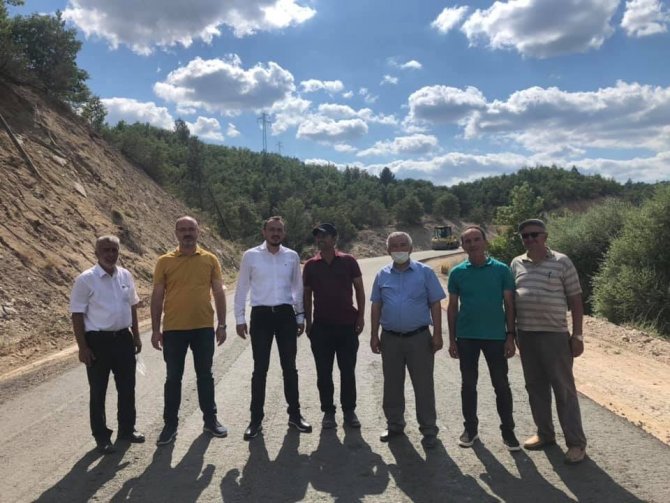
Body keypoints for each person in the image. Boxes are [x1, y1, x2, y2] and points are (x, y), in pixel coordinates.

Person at [511, 218, 587, 464]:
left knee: (564, 390)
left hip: (555, 335)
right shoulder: (516, 263)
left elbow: (576, 300)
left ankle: (576, 443)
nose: (530, 239)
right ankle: (545, 434)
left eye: (534, 234)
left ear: (545, 236)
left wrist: (577, 335)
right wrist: (511, 333)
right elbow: (511, 300)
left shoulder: (562, 261)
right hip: (526, 335)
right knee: (535, 388)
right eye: (525, 236)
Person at [151, 216, 228, 445]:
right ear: (176, 233)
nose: (187, 233)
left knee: (205, 376)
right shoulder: (164, 261)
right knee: (173, 378)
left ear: (198, 232)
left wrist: (222, 324)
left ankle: (210, 420)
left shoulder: (210, 259)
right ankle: (170, 425)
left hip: (203, 328)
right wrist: (155, 330)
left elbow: (219, 292)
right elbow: (157, 296)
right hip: (174, 329)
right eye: (183, 229)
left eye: (191, 229)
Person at [234, 216, 312, 440]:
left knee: (290, 367)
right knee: (260, 369)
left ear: (284, 233)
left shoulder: (292, 256)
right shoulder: (251, 256)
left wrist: (300, 317)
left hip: (286, 315)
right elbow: (242, 288)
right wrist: (239, 318)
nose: (275, 233)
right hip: (261, 316)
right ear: (264, 232)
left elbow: (297, 289)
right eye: (272, 229)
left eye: (279, 230)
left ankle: (295, 415)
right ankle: (255, 420)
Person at [446, 226, 519, 451]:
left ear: (485, 242)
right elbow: (452, 307)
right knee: (468, 385)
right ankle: (471, 430)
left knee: (501, 385)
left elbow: (509, 305)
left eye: (476, 239)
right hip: (466, 337)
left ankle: (508, 431)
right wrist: (452, 340)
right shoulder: (457, 273)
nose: (473, 244)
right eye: (468, 241)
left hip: (496, 336)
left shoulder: (501, 270)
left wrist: (510, 335)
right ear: (463, 246)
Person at [370, 231, 445, 448]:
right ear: (388, 250)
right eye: (394, 246)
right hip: (390, 339)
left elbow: (435, 303)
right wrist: (374, 334)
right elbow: (376, 305)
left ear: (411, 249)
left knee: (423, 385)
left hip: (419, 338)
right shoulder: (382, 275)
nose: (399, 249)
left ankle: (428, 429)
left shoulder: (425, 272)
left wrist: (437, 334)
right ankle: (394, 425)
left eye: (403, 245)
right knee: (392, 385)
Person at [70, 235, 144, 454]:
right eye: (106, 250)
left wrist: (136, 335)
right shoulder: (85, 280)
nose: (111, 254)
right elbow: (77, 315)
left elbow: (132, 306)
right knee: (98, 390)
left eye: (114, 250)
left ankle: (127, 429)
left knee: (127, 387)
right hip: (98, 342)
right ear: (96, 253)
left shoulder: (125, 275)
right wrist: (83, 347)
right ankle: (101, 437)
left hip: (123, 339)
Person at [303, 223, 365, 429]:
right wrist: (309, 323)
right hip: (322, 328)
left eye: (325, 235)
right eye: (318, 236)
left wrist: (361, 317)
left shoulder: (348, 261)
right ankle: (328, 412)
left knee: (347, 371)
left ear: (334, 238)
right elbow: (307, 295)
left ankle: (349, 411)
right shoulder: (311, 265)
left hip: (347, 326)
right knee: (323, 373)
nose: (320, 239)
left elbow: (359, 289)